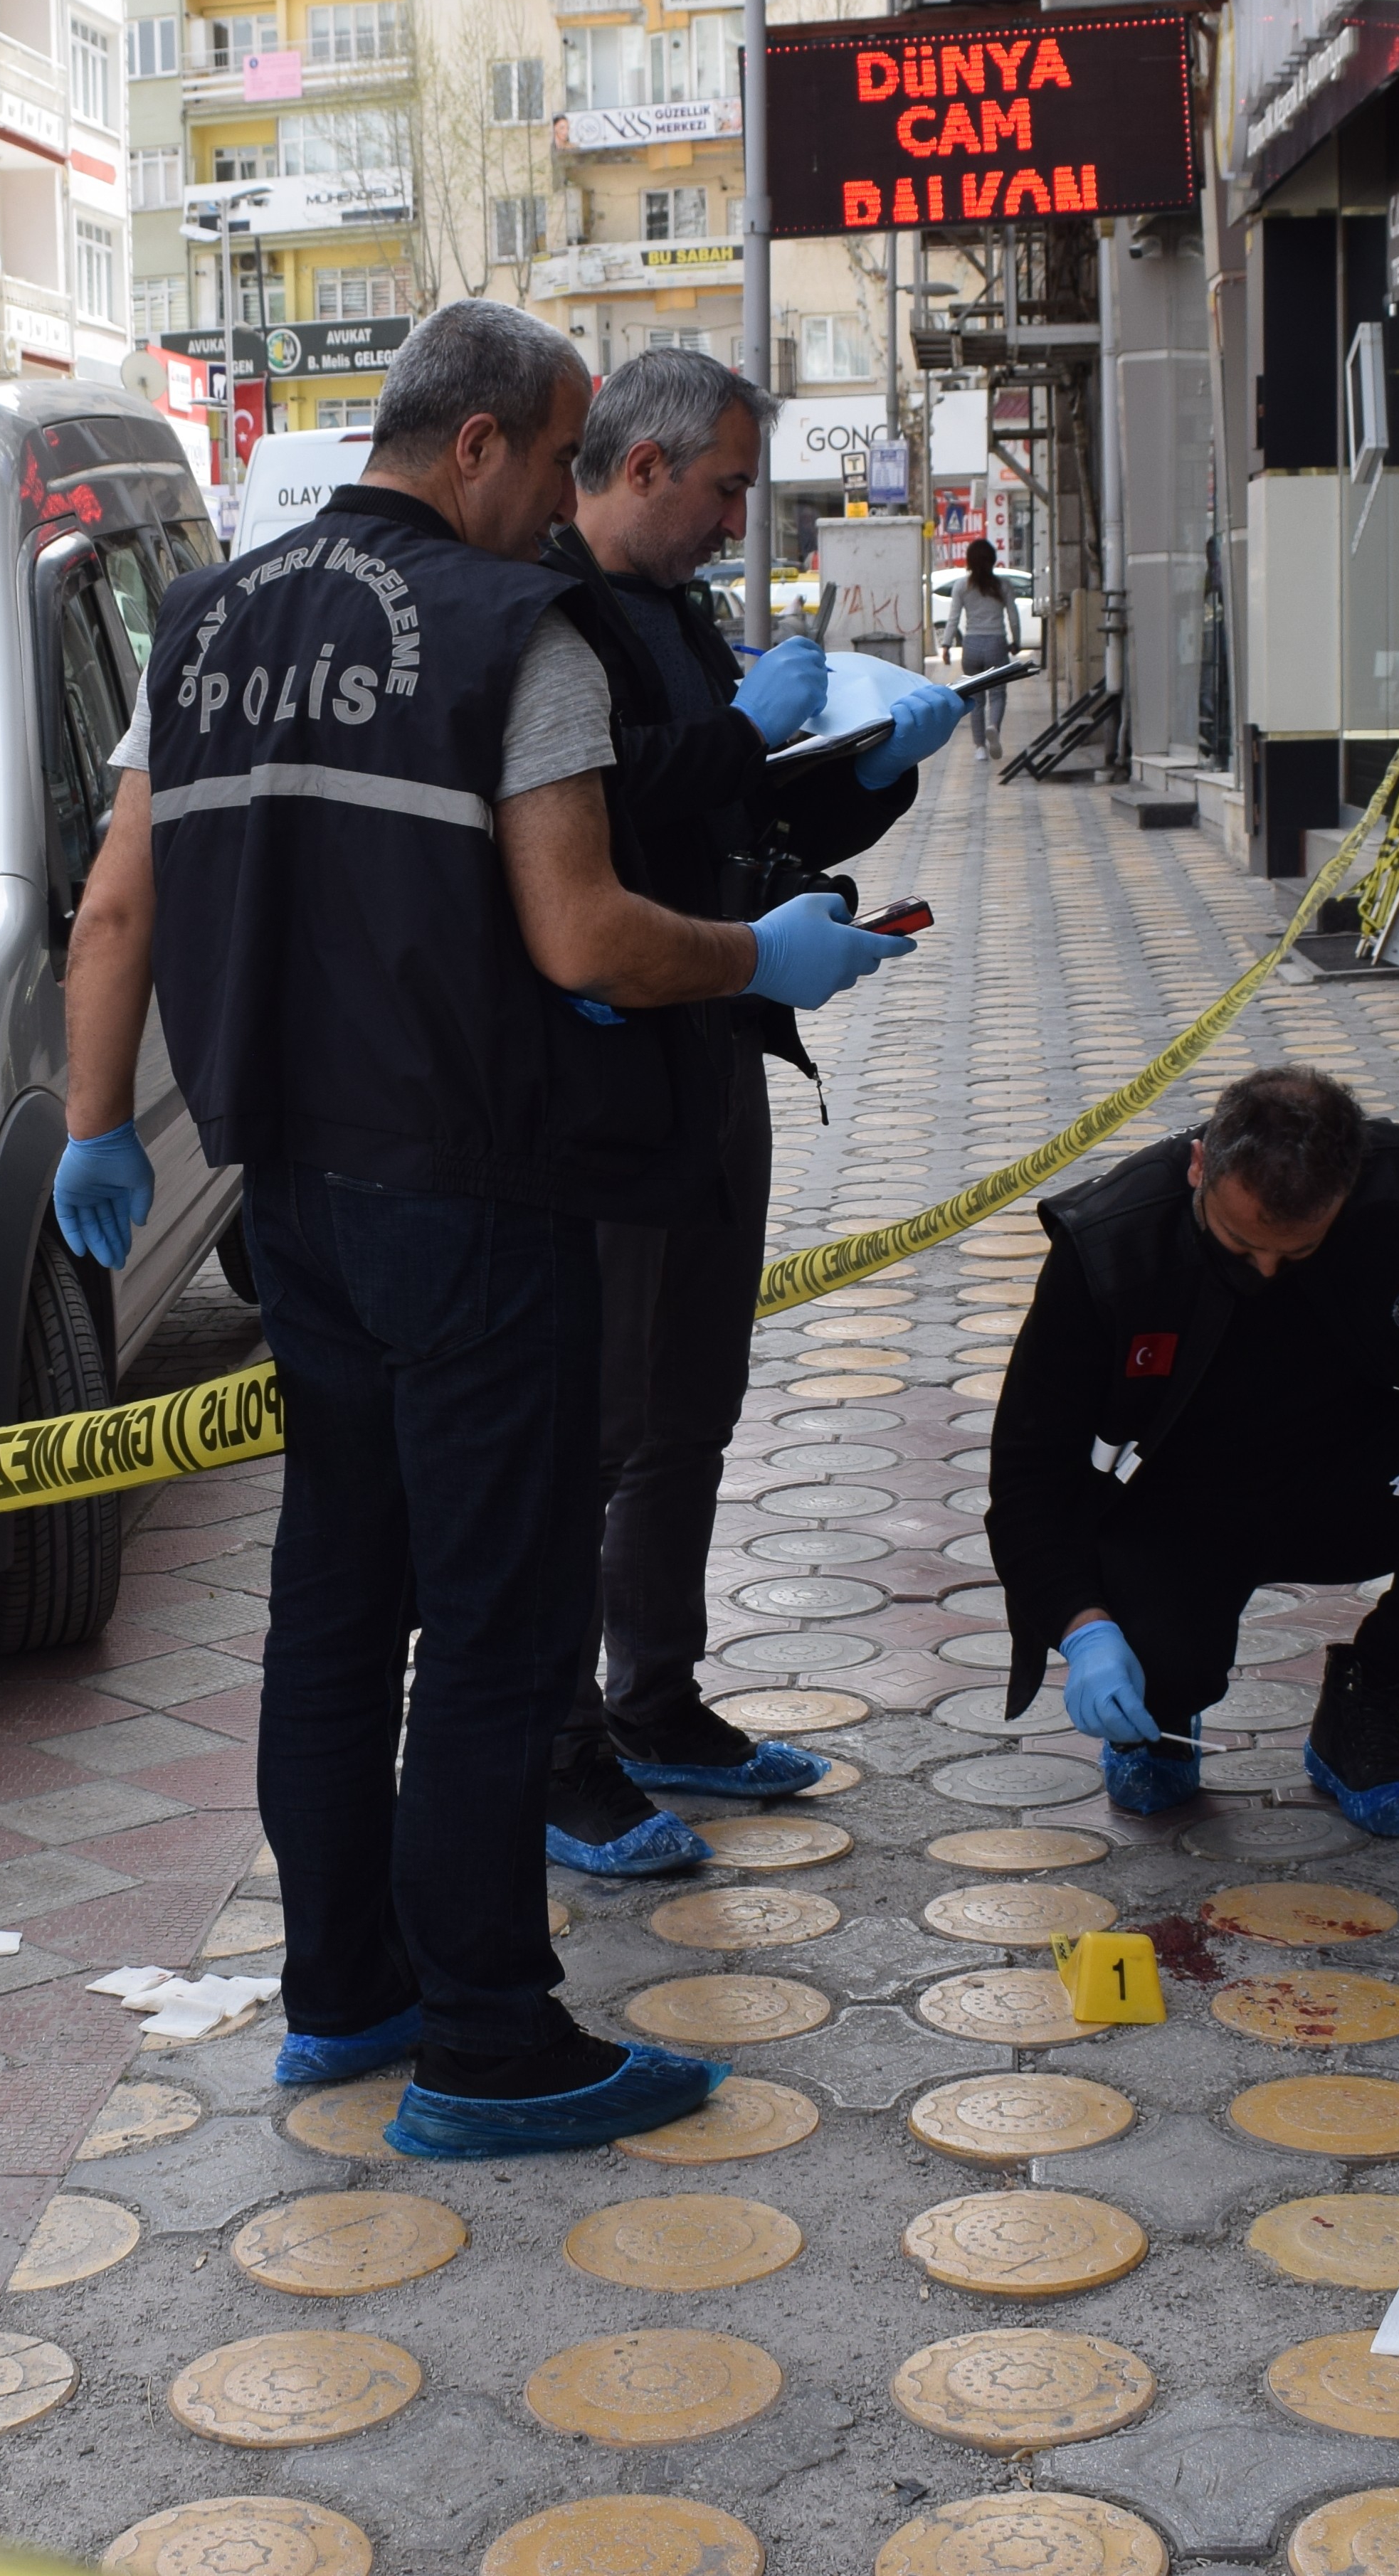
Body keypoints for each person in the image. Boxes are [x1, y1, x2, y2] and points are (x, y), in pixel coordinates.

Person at [47, 300, 912, 2157]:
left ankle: (340, 1997)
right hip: (475, 1192)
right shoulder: (521, 630)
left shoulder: (197, 628)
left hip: (291, 1206)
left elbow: (114, 915)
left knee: (337, 1612)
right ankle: (491, 2045)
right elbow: (582, 932)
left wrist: (100, 1129)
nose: (560, 501)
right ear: (480, 447)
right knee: (503, 1625)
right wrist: (764, 955)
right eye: (556, 460)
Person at [533, 348, 959, 1876]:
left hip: (716, 1037)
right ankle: (555, 1748)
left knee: (693, 1402)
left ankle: (656, 1699)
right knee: (596, 1422)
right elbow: (603, 812)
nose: (734, 518)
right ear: (640, 466)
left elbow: (746, 802)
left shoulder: (674, 607)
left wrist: (880, 770)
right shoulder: (548, 611)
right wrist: (735, 730)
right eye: (721, 486)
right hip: (606, 1070)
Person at [981, 1067, 1399, 1838]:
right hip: (1178, 1500)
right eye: (1238, 1243)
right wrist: (1082, 1627)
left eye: (1296, 1251)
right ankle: (1162, 1715)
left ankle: (1367, 1702)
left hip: (1354, 1471)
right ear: (1200, 1165)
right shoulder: (1110, 1246)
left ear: (1347, 1188)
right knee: (1159, 1656)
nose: (1264, 1271)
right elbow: (1028, 1480)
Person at [951, 537, 1020, 758]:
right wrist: (1016, 641)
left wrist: (945, 645)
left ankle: (980, 747)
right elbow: (1014, 617)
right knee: (998, 693)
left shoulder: (961, 586)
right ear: (993, 560)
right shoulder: (1003, 585)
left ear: (969, 561)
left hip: (971, 646)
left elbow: (953, 618)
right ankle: (994, 728)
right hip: (996, 644)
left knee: (976, 698)